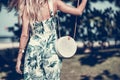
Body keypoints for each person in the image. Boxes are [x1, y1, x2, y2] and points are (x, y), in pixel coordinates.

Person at [10, 0, 87, 79]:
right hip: (51, 52)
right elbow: (79, 11)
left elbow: (24, 35)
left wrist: (19, 58)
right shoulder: (54, 3)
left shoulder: (28, 9)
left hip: (33, 53)